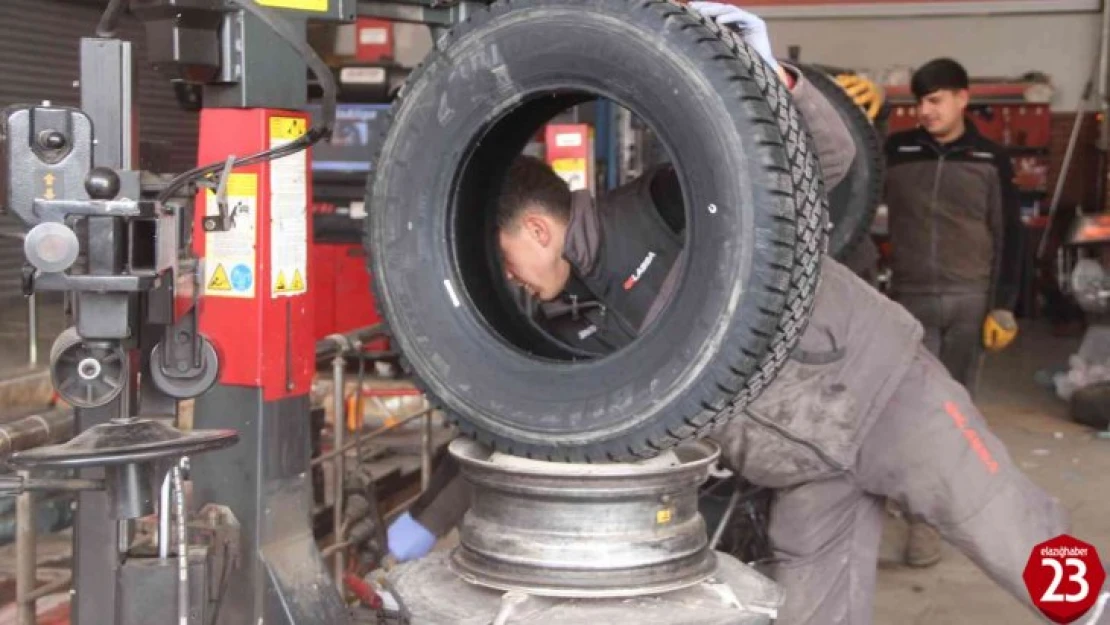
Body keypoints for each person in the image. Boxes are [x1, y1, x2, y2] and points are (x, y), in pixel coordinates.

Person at [387, 5, 1084, 625]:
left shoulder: (666, 202)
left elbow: (829, 161)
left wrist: (764, 79)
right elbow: (522, 418)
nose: (506, 275)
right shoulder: (583, 320)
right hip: (803, 474)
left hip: (884, 394)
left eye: (506, 254)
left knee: (1011, 533)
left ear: (538, 229)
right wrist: (423, 522)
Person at [882, 57, 1025, 568]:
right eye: (919, 102)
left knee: (955, 410)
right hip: (911, 298)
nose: (925, 110)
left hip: (969, 300)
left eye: (935, 99)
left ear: (963, 98)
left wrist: (1006, 304)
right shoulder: (896, 150)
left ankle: (930, 521)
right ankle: (915, 500)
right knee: (910, 408)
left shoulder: (989, 158)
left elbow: (1010, 234)